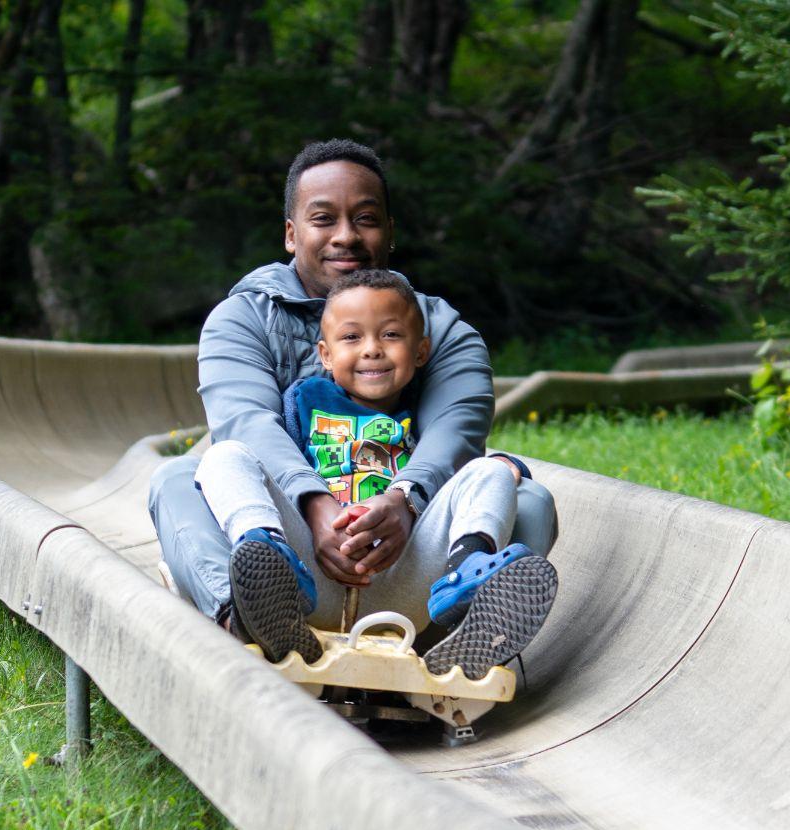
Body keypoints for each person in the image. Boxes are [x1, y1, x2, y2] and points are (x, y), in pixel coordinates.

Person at [147, 138, 558, 647]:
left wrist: (404, 503)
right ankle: (248, 621)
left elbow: (455, 434)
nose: (346, 236)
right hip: (293, 537)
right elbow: (247, 425)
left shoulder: (442, 330)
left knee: (531, 500)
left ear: (390, 232)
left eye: (365, 218)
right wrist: (315, 506)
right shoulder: (244, 319)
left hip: (405, 549)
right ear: (292, 235)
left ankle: (466, 640)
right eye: (323, 220)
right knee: (177, 477)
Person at [196, 270, 558, 679]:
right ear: (325, 354)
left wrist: (505, 468)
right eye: (352, 338)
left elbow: (456, 463)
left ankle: (467, 581)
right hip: (313, 572)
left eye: (390, 336)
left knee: (491, 470)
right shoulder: (302, 404)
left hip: (408, 580)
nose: (372, 350)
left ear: (421, 352)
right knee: (223, 455)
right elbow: (271, 465)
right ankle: (268, 560)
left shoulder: (424, 414)